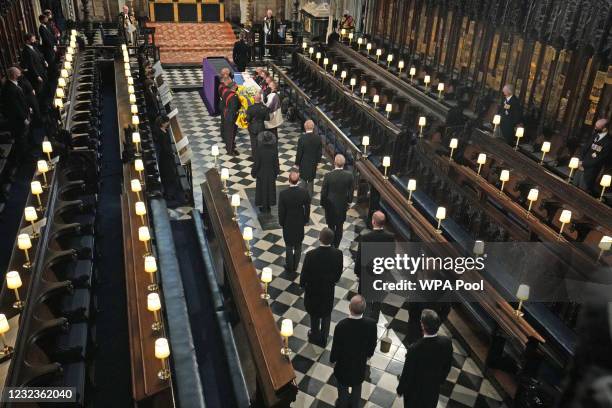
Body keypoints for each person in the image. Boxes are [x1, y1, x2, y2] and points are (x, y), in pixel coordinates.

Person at [397, 309, 453, 408]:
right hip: (432, 390)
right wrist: (440, 380)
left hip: (415, 393)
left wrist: (400, 390)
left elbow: (407, 373)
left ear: (422, 326)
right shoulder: (447, 342)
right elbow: (447, 366)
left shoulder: (415, 349)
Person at [330, 295, 377, 408]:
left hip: (343, 365)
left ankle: (342, 404)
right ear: (364, 309)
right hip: (359, 364)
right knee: (357, 386)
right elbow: (372, 343)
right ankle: (355, 405)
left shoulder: (341, 326)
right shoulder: (371, 324)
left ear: (349, 307)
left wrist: (333, 359)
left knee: (342, 388)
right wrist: (368, 355)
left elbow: (336, 347)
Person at [300, 227, 343, 347]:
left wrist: (302, 285)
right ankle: (324, 337)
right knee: (326, 313)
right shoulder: (338, 254)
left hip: (313, 291)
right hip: (328, 290)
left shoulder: (310, 255)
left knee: (314, 313)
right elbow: (338, 274)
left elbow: (305, 274)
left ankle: (314, 334)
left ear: (319, 238)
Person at [354, 211, 395, 322]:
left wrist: (358, 272)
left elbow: (360, 258)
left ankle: (363, 321)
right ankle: (374, 321)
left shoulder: (366, 237)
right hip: (381, 274)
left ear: (373, 221)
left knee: (364, 299)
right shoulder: (390, 237)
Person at [278, 170, 310, 273]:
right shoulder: (304, 192)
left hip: (288, 222)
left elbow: (281, 211)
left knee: (288, 245)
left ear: (289, 180)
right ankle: (295, 266)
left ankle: (289, 266)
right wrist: (305, 219)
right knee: (298, 245)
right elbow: (307, 207)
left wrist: (282, 222)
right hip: (299, 222)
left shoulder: (283, 194)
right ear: (298, 181)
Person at [321, 154, 354, 248]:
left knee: (330, 226)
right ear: (343, 164)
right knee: (339, 227)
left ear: (334, 163)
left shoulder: (328, 176)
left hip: (330, 206)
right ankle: (337, 246)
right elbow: (351, 191)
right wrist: (349, 202)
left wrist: (323, 204)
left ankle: (331, 245)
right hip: (342, 206)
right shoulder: (349, 176)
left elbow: (323, 192)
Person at [2, 67, 31, 160]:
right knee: (21, 138)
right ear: (14, 75)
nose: (20, 75)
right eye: (19, 74)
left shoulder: (13, 84)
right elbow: (16, 107)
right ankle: (24, 158)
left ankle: (25, 154)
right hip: (17, 120)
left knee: (24, 137)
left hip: (22, 116)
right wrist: (24, 119)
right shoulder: (10, 88)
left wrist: (28, 108)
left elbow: (21, 100)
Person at [579, 119, 611, 195]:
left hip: (591, 171)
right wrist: (580, 161)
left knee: (582, 192)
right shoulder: (594, 135)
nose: (595, 128)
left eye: (597, 127)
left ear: (604, 128)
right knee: (572, 186)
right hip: (580, 167)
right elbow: (585, 148)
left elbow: (599, 159)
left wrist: (583, 163)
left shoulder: (609, 142)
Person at [251, 131, 279, 213]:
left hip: (261, 173)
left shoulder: (259, 150)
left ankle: (264, 207)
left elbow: (257, 163)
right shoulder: (274, 149)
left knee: (262, 190)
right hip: (271, 173)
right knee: (270, 189)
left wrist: (253, 172)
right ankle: (268, 206)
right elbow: (276, 162)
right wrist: (277, 172)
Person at [295, 120, 322, 197]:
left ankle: (301, 196)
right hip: (313, 163)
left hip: (303, 162)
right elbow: (319, 152)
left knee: (303, 179)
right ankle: (309, 198)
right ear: (313, 127)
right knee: (311, 180)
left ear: (305, 127)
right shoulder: (318, 138)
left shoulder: (302, 139)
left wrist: (297, 163)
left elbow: (299, 153)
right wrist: (318, 162)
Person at [20, 33, 47, 97]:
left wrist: (44, 61)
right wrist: (37, 76)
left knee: (45, 87)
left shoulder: (34, 47)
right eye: (33, 40)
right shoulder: (26, 51)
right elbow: (31, 65)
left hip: (41, 70)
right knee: (40, 90)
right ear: (27, 41)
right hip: (36, 74)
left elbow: (40, 55)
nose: (34, 41)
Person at [245, 92, 270, 157]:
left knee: (253, 142)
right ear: (261, 98)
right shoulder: (264, 108)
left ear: (254, 98)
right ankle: (260, 155)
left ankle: (254, 155)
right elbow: (267, 118)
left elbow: (248, 119)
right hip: (261, 127)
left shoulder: (250, 108)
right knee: (260, 142)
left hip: (252, 127)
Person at [220, 77, 240, 155]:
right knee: (231, 134)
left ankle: (229, 147)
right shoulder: (234, 97)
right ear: (234, 87)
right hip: (231, 117)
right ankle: (230, 150)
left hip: (226, 114)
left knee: (228, 133)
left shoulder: (226, 92)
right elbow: (234, 108)